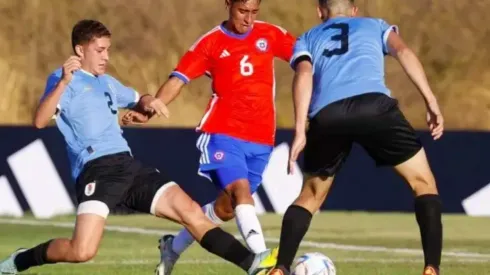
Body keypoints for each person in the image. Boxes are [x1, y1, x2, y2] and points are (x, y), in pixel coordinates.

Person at [0, 19, 277, 275]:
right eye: (100, 50)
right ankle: (21, 260)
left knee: (190, 212)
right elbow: (38, 121)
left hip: (128, 165)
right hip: (96, 171)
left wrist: (150, 102)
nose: (106, 56)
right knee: (81, 251)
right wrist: (62, 82)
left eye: (108, 50)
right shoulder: (63, 81)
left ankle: (252, 264)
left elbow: (136, 98)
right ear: (79, 51)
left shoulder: (107, 82)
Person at [267, 1, 444, 275]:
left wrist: (301, 128)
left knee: (311, 195)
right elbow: (404, 51)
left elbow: (304, 75)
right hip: (375, 107)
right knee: (423, 183)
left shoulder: (308, 37)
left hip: (328, 115)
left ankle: (280, 268)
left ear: (320, 11)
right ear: (354, 11)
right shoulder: (376, 25)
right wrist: (430, 100)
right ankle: (431, 268)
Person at [122, 0, 296, 274]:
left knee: (226, 209)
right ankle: (262, 263)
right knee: (240, 192)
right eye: (242, 11)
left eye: (254, 12)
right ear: (228, 4)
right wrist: (151, 110)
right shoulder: (211, 43)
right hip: (222, 132)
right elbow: (178, 79)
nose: (248, 19)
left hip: (262, 139)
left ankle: (172, 247)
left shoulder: (270, 34)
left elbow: (306, 58)